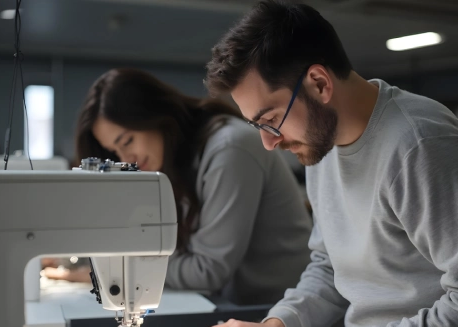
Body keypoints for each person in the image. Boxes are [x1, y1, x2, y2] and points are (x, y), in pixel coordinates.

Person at [189, 0, 458, 327]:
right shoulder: (320, 144)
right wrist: (279, 322)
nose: (269, 143)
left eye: (270, 120)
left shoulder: (420, 143)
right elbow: (331, 265)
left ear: (318, 83)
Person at [73, 68, 312, 305]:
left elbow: (206, 271)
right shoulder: (175, 161)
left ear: (154, 115)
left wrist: (124, 269)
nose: (126, 158)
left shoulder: (230, 148)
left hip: (279, 313)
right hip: (236, 306)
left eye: (127, 141)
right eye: (115, 151)